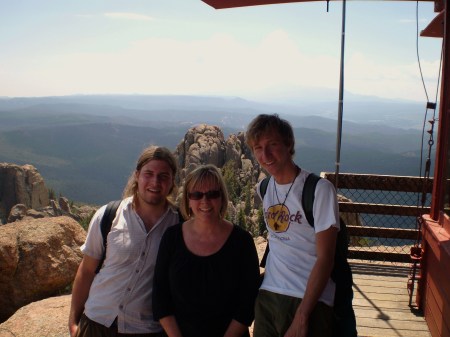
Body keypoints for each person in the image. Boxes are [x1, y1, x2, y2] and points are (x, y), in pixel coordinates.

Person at [69, 145, 183, 337]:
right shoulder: (109, 215)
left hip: (145, 329)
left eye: (163, 176)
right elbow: (87, 270)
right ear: (137, 175)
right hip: (97, 322)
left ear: (172, 181)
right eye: (149, 173)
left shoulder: (180, 226)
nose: (155, 182)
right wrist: (73, 322)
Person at [245, 114, 340, 337]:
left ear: (289, 145)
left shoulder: (319, 190)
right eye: (258, 148)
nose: (265, 155)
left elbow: (326, 258)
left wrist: (302, 316)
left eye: (272, 145)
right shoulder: (264, 188)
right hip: (269, 295)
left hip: (309, 299)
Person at [152, 164, 260, 337]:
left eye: (212, 194)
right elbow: (160, 297)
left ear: (222, 197)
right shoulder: (172, 238)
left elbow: (247, 304)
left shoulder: (242, 242)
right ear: (188, 199)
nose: (205, 201)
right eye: (196, 194)